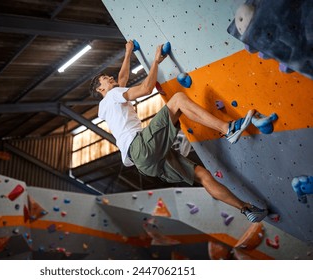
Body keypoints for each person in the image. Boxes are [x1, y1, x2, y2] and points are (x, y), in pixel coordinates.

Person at [89, 40, 268, 223]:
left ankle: (246, 210)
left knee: (202, 175)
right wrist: (156, 62)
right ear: (100, 89)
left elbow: (122, 78)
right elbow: (146, 89)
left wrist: (128, 53)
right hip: (140, 147)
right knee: (178, 99)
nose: (111, 78)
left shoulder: (107, 105)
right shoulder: (111, 96)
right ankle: (227, 129)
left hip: (145, 164)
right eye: (106, 79)